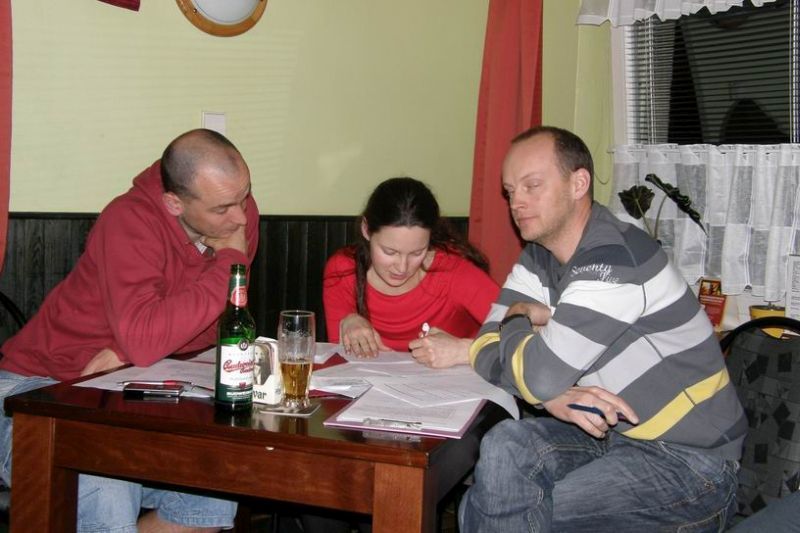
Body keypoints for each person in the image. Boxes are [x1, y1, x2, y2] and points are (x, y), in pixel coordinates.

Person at [459, 126, 747, 532]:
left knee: (491, 506)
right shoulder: (539, 258)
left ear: (579, 183)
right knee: (505, 446)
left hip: (692, 464)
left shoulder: (614, 258)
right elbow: (483, 348)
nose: (516, 202)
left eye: (532, 185)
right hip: (612, 435)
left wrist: (518, 316)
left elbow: (534, 369)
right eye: (510, 191)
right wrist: (553, 396)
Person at [0, 129, 259, 532]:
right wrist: (229, 262)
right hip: (35, 391)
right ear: (174, 203)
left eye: (244, 196)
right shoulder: (128, 220)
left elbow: (210, 330)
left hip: (128, 390)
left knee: (216, 481)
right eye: (223, 208)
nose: (241, 217)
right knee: (106, 487)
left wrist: (130, 351)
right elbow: (152, 338)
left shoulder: (235, 214)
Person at [323, 176, 499, 368]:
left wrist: (464, 351)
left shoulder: (454, 272)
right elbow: (340, 363)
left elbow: (521, 336)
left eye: (417, 253)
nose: (402, 267)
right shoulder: (343, 270)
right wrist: (348, 321)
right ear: (366, 229)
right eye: (390, 252)